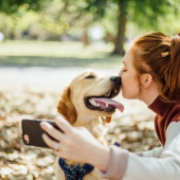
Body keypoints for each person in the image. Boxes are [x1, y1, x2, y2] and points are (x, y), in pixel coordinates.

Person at [40, 31, 180, 180]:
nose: (118, 76)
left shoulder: (177, 118)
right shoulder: (166, 113)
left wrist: (103, 157)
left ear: (146, 80)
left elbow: (174, 170)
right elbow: (164, 154)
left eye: (125, 69)